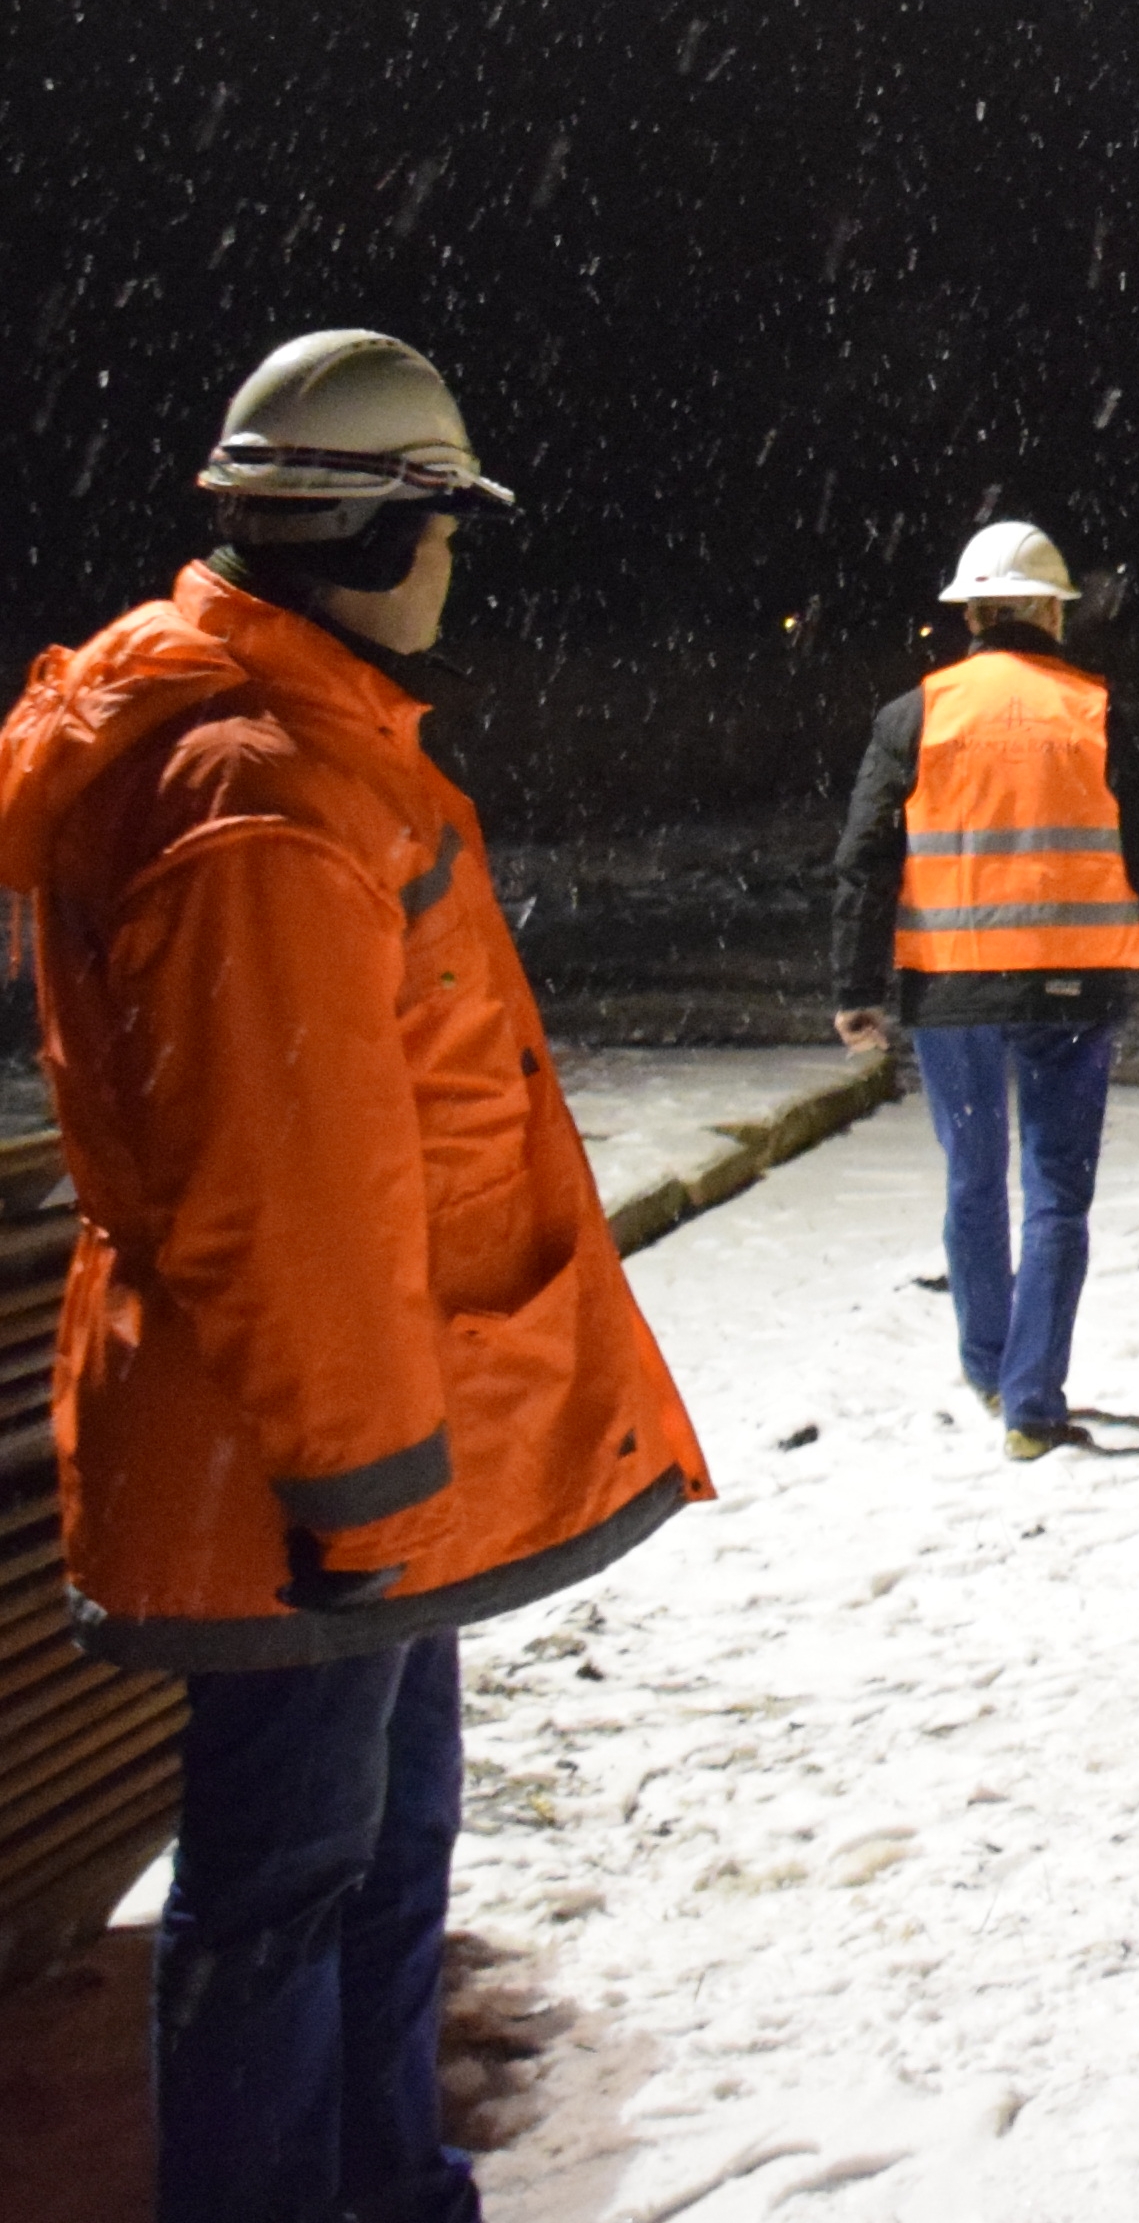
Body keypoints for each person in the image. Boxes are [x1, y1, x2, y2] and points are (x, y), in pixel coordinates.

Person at [0, 329, 707, 2223]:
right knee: (285, 1899)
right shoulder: (260, 794)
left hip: (361, 1458)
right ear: (389, 525)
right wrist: (366, 1495)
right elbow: (286, 1197)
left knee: (380, 1861)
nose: (460, 565)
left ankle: (390, 2187)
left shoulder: (306, 748)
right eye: (451, 524)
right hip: (310, 1483)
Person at [829, 520, 1139, 1455]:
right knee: (1056, 1193)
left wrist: (855, 982)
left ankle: (987, 1367)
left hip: (948, 989)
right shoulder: (1095, 709)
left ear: (970, 611)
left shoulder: (915, 713)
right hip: (1072, 987)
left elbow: (864, 861)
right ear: (1048, 609)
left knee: (972, 1180)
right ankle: (1033, 1405)